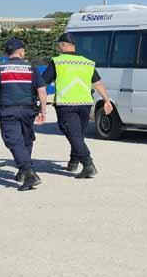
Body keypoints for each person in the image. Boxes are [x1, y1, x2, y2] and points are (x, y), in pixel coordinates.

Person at [42, 33, 113, 179]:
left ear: (63, 45)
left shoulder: (58, 62)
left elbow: (43, 82)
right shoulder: (86, 62)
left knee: (73, 135)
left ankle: (88, 165)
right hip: (85, 104)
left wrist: (37, 101)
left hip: (66, 104)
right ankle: (73, 162)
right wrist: (107, 100)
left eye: (58, 44)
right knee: (78, 135)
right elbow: (98, 83)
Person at [0, 38, 48, 191]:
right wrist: (43, 110)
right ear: (21, 52)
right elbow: (42, 90)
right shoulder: (31, 68)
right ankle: (23, 171)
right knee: (26, 140)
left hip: (9, 110)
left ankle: (29, 173)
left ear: (7, 53)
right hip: (28, 110)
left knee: (14, 141)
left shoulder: (0, 68)